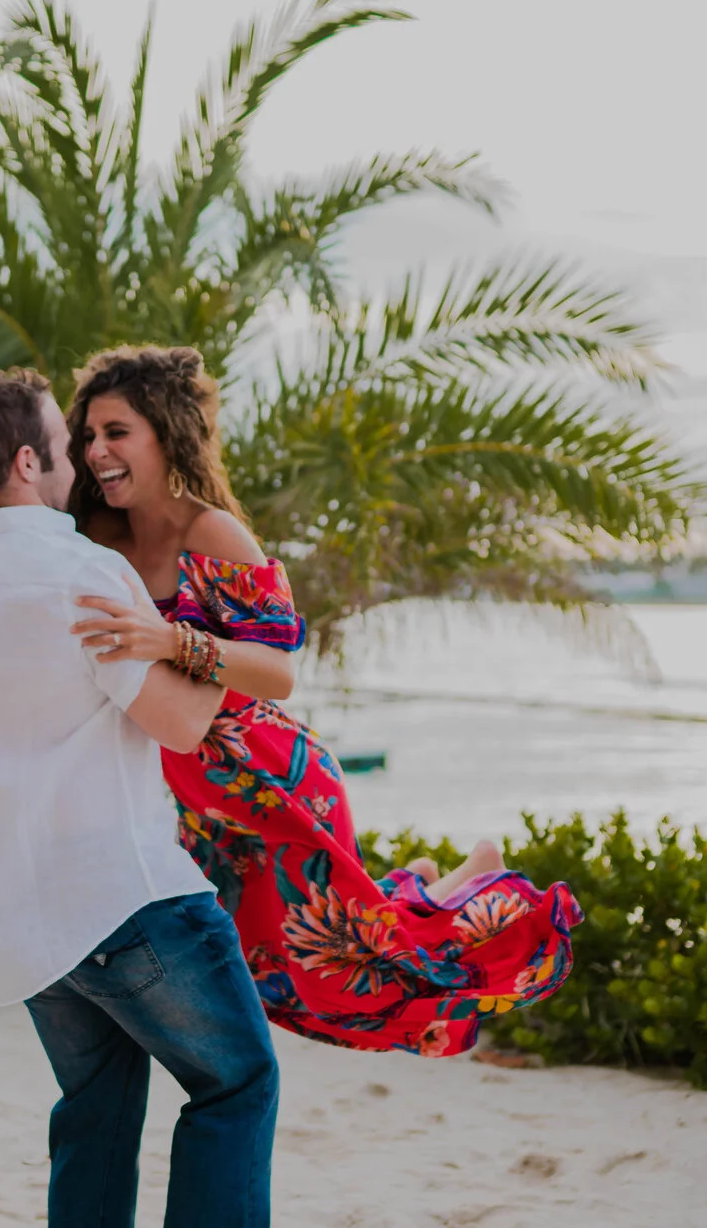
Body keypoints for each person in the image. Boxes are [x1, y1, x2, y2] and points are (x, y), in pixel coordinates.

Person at [0, 365, 294, 1228]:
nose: (82, 465)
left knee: (98, 1113)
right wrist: (198, 649)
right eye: (67, 450)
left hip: (13, 918)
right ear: (28, 462)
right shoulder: (79, 573)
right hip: (123, 899)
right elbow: (174, 724)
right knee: (237, 1084)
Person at [62, 345, 583, 1058]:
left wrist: (169, 642)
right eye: (88, 436)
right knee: (270, 977)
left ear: (165, 432)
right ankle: (425, 881)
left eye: (116, 432)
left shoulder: (209, 534)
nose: (97, 451)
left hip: (267, 780)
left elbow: (276, 673)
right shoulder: (95, 536)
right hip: (187, 793)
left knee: (332, 973)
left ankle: (468, 879)